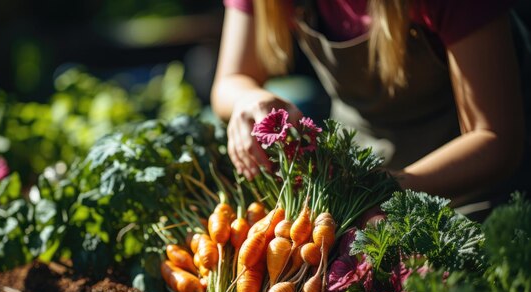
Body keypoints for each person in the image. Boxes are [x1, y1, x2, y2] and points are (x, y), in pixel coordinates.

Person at [211, 0, 530, 210]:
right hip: (359, 175)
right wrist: (250, 99)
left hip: (471, 193)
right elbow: (231, 79)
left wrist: (381, 190)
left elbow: (496, 141)